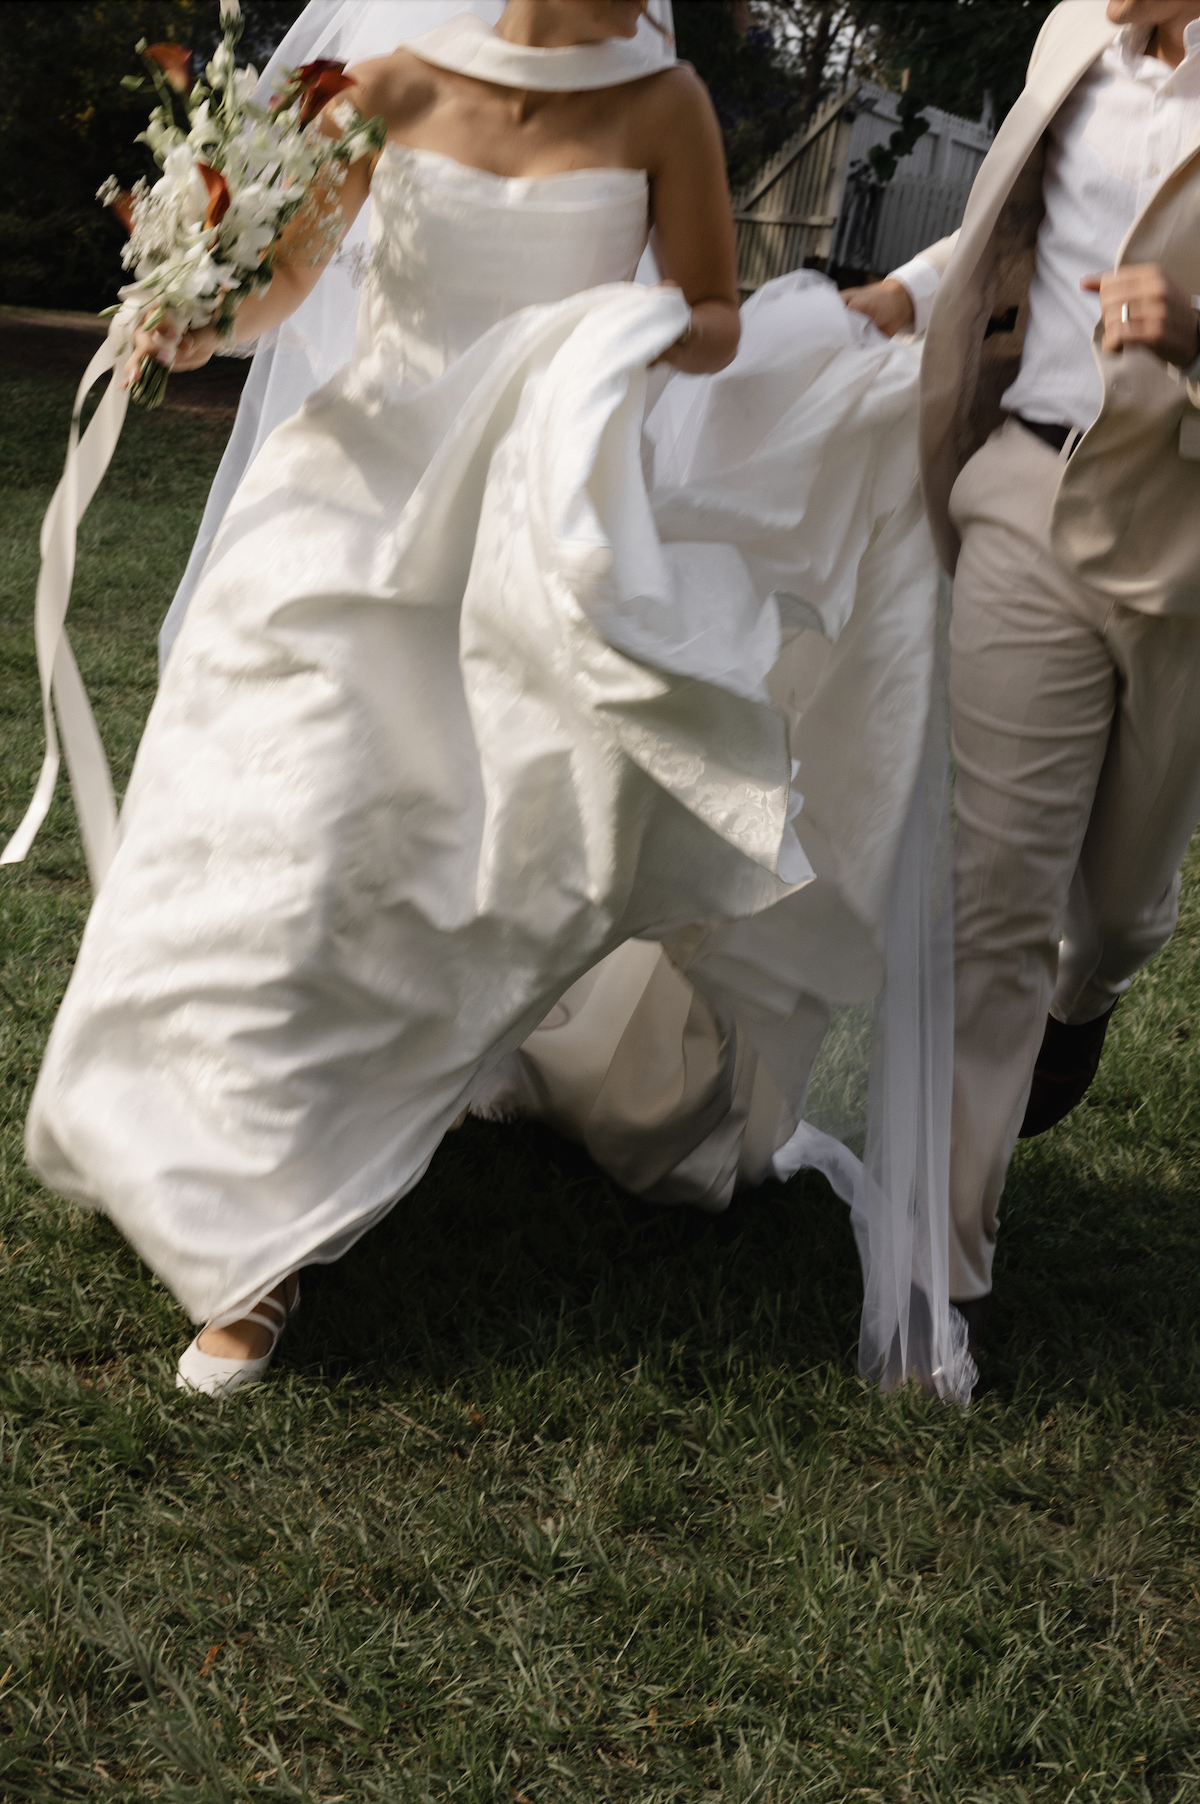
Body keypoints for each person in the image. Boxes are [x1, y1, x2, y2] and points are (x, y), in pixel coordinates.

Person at [22, 0, 969, 1400]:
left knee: (443, 857)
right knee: (276, 837)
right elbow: (290, 286)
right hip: (349, 502)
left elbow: (711, 323)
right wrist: (202, 302)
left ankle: (307, 1172)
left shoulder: (666, 107)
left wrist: (613, 333)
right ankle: (249, 1236)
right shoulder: (392, 81)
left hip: (534, 526)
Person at [844, 0, 1200, 1340]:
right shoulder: (1069, 37)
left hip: (1186, 549)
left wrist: (1198, 328)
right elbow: (1008, 226)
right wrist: (899, 295)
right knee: (991, 907)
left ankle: (1089, 990)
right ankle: (938, 1290)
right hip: (1027, 500)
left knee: (1109, 913)